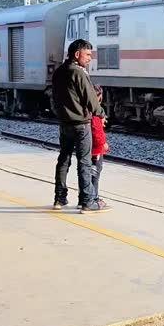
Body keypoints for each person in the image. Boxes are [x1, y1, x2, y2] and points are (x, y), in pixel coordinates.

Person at [51, 39, 112, 213]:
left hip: (64, 124)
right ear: (77, 54)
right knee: (84, 162)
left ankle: (59, 199)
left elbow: (53, 98)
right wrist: (101, 114)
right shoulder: (78, 72)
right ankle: (87, 201)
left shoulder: (59, 72)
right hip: (81, 125)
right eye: (87, 54)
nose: (90, 58)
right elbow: (91, 98)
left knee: (63, 160)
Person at [90, 86, 109, 204]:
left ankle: (85, 199)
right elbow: (97, 132)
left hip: (88, 147)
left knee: (89, 173)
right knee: (95, 173)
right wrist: (103, 144)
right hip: (96, 149)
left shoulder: (85, 109)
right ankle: (93, 199)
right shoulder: (96, 112)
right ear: (99, 97)